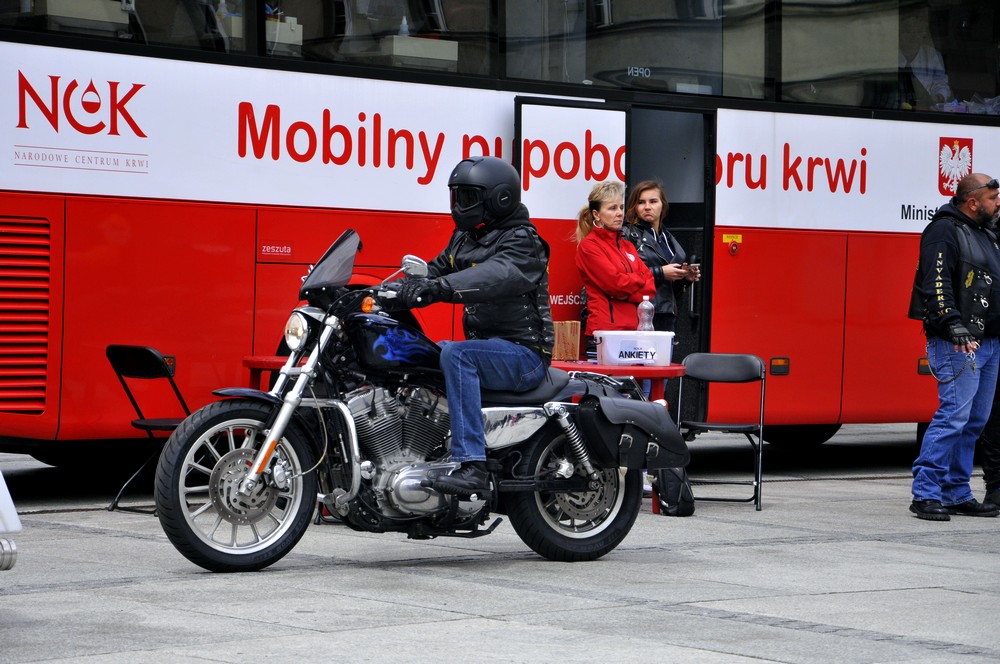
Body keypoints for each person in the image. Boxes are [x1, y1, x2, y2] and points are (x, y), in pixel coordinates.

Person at [395, 156, 554, 495]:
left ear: (499, 198)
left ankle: (472, 466)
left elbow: (495, 274)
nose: (458, 206)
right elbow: (435, 270)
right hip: (490, 350)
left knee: (457, 355)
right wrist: (389, 291)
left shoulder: (523, 241)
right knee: (421, 353)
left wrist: (439, 288)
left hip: (524, 355)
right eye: (456, 196)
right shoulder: (465, 238)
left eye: (467, 197)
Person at [908, 173, 1000, 520]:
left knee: (974, 421)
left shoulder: (986, 232)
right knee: (953, 417)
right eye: (992, 199)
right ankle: (925, 493)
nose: (998, 204)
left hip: (988, 341)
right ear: (973, 202)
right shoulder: (944, 230)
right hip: (958, 342)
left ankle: (956, 492)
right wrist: (952, 322)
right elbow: (936, 282)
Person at [574, 181, 655, 354]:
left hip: (634, 333)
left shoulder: (628, 246)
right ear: (596, 214)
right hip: (604, 333)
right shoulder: (589, 246)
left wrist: (625, 292)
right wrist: (636, 283)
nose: (619, 213)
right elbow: (616, 284)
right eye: (612, 208)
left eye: (621, 207)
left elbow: (650, 286)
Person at [622, 180, 700, 333]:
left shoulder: (667, 238)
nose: (647, 207)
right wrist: (661, 272)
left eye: (653, 201)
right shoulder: (628, 234)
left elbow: (670, 289)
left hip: (666, 313)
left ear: (662, 205)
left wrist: (685, 278)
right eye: (641, 202)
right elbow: (624, 277)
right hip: (640, 313)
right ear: (635, 207)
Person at [897, 2, 952, 110]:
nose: (913, 37)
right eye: (907, 32)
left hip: (925, 112)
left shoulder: (932, 55)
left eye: (917, 32)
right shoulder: (890, 57)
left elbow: (941, 84)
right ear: (899, 33)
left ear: (923, 34)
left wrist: (936, 98)